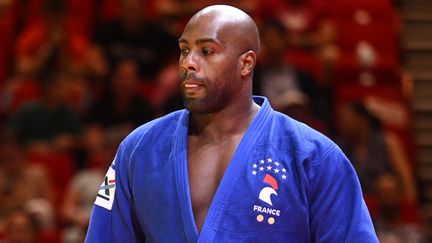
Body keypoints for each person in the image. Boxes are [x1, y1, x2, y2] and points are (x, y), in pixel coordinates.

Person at [85, 5, 378, 242]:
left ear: (246, 63)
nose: (188, 62)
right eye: (184, 50)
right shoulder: (137, 149)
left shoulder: (313, 156)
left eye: (206, 51)